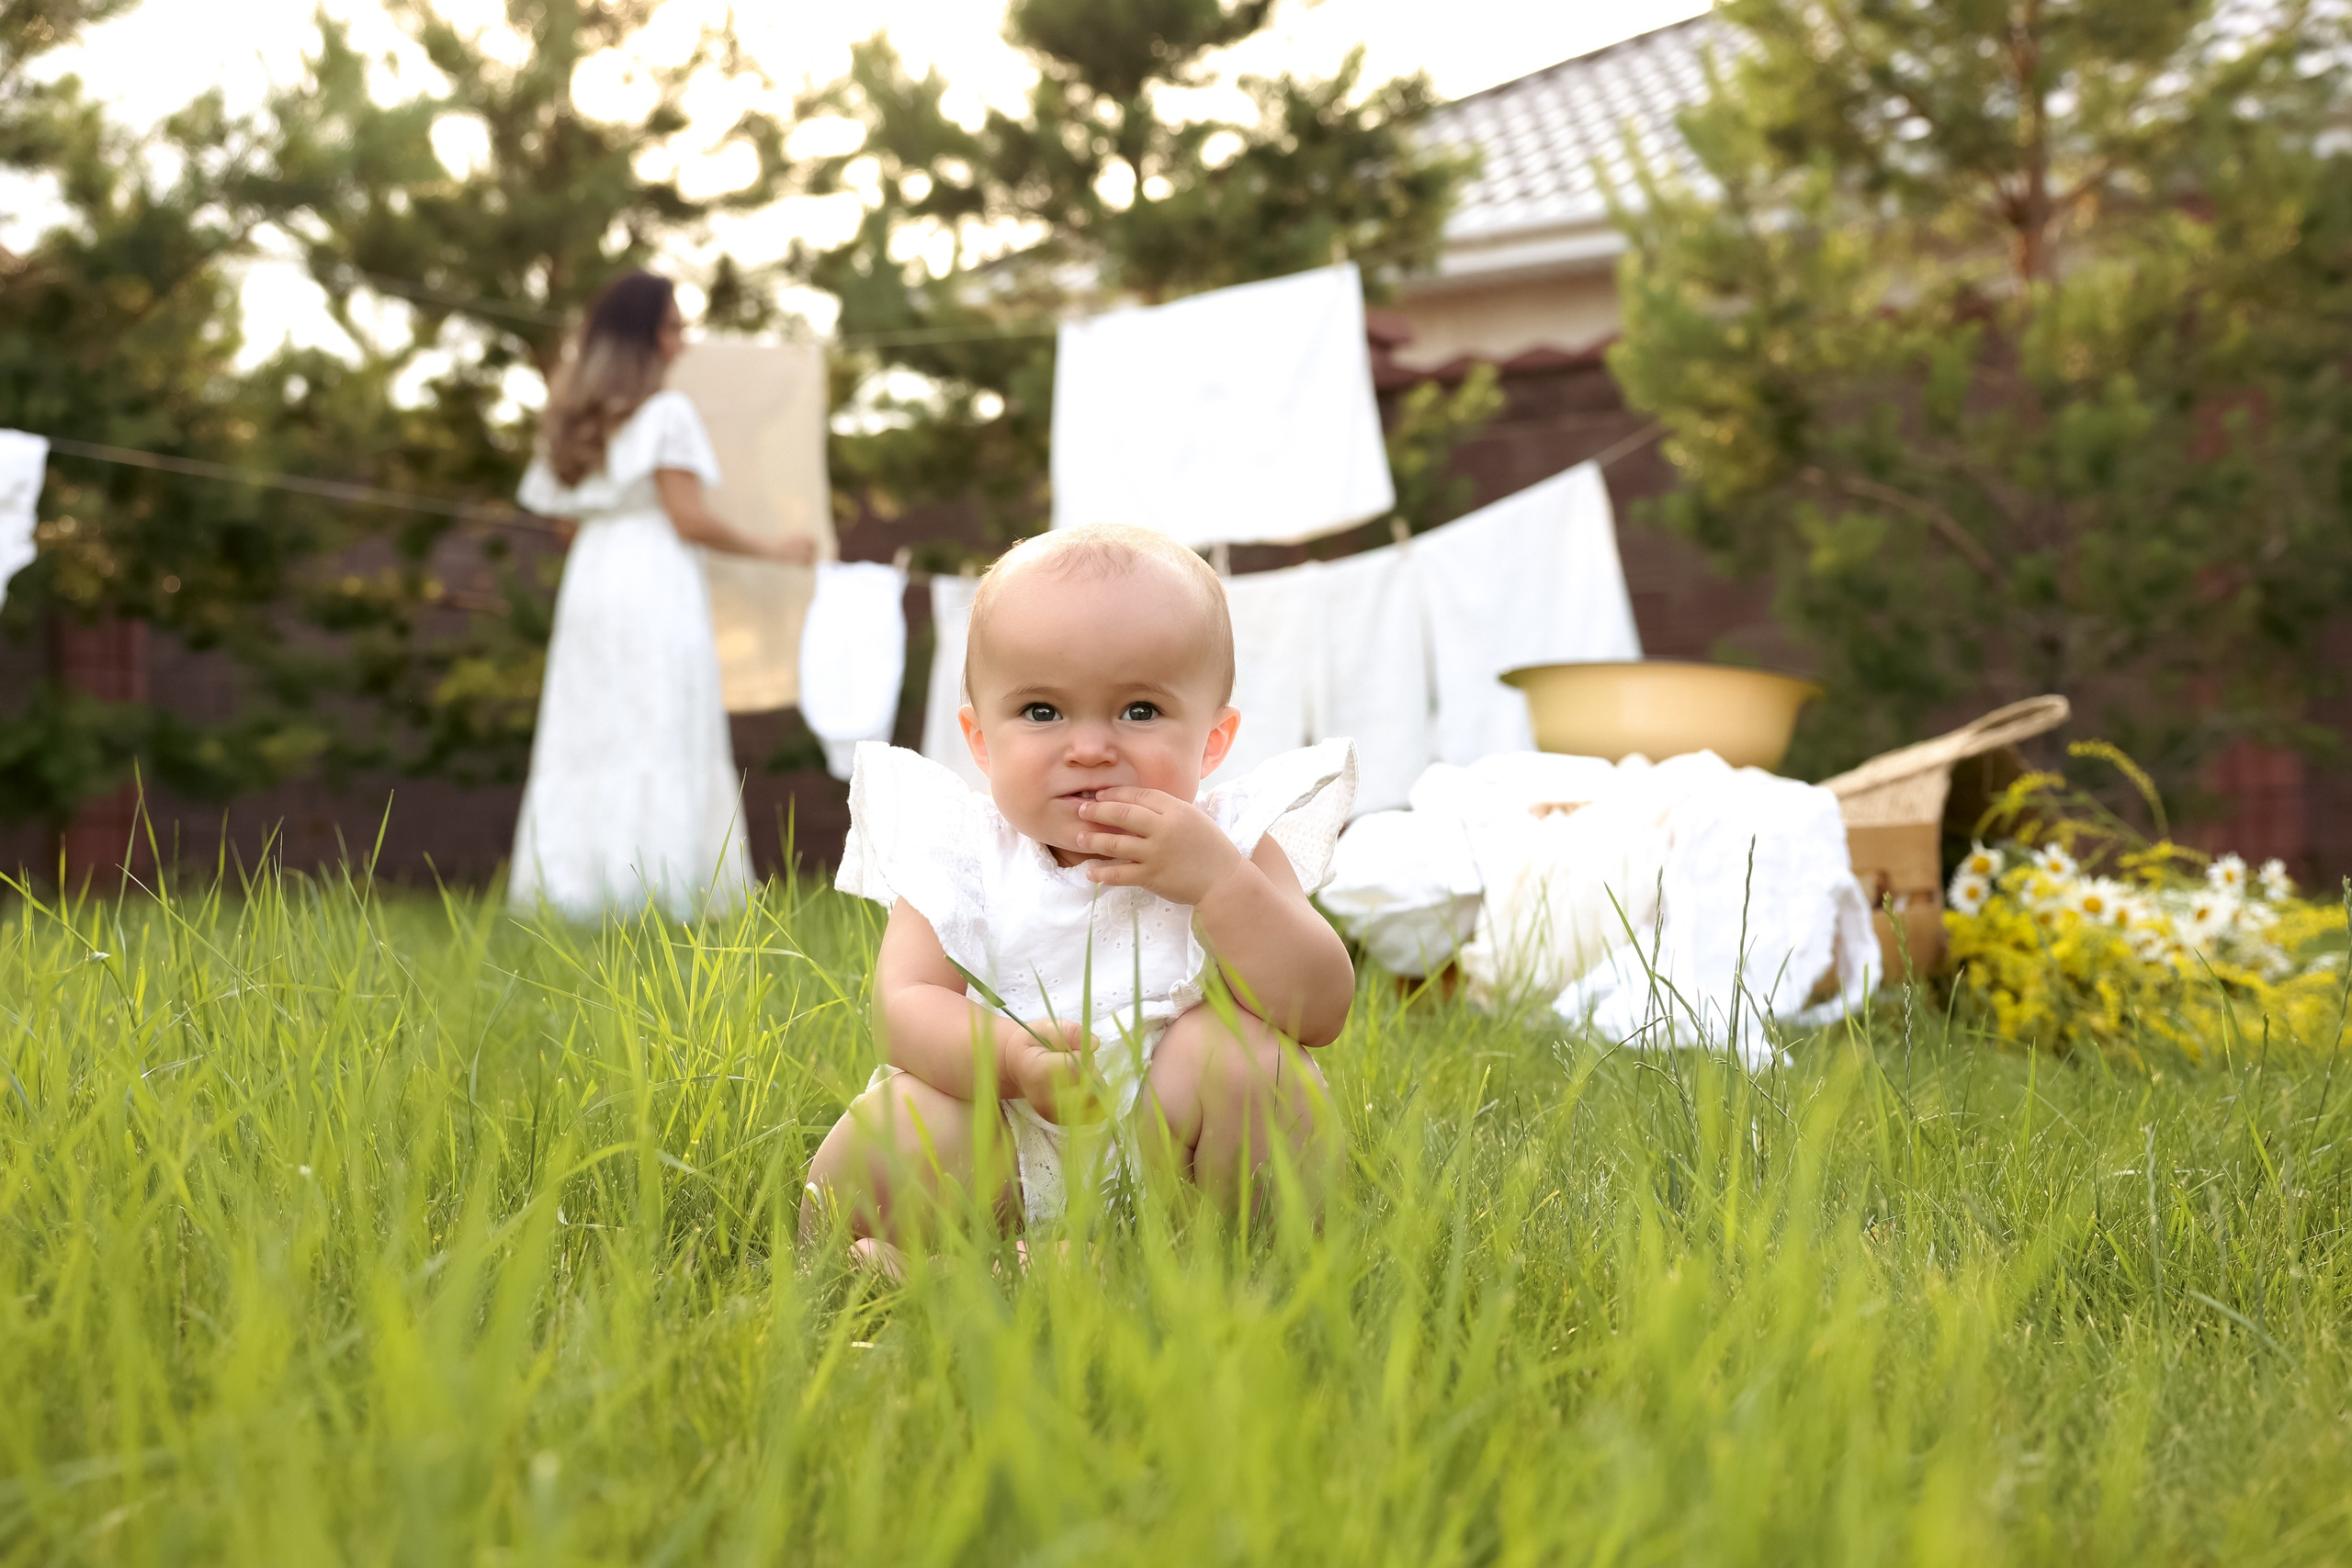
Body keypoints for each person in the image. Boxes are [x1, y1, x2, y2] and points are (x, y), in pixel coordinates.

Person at [801, 525, 1359, 1265]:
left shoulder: (1231, 844)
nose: (1091, 747)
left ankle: (1208, 1259)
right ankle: (960, 1264)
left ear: (1212, 740)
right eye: (1042, 711)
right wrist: (1011, 1058)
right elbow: (903, 1007)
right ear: (980, 739)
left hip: (1175, 1150)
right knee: (907, 1116)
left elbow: (1319, 1009)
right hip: (1010, 1132)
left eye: (1139, 710)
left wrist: (1220, 882)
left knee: (1250, 1061)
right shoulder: (963, 852)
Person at [509, 271, 812, 920]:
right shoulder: (667, 413)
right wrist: (774, 549)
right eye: (673, 327)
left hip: (592, 580)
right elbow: (688, 518)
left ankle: (575, 888)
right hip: (654, 580)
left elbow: (566, 525)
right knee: (661, 718)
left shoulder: (570, 420)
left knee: (593, 726)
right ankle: (659, 887)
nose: (683, 342)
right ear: (643, 336)